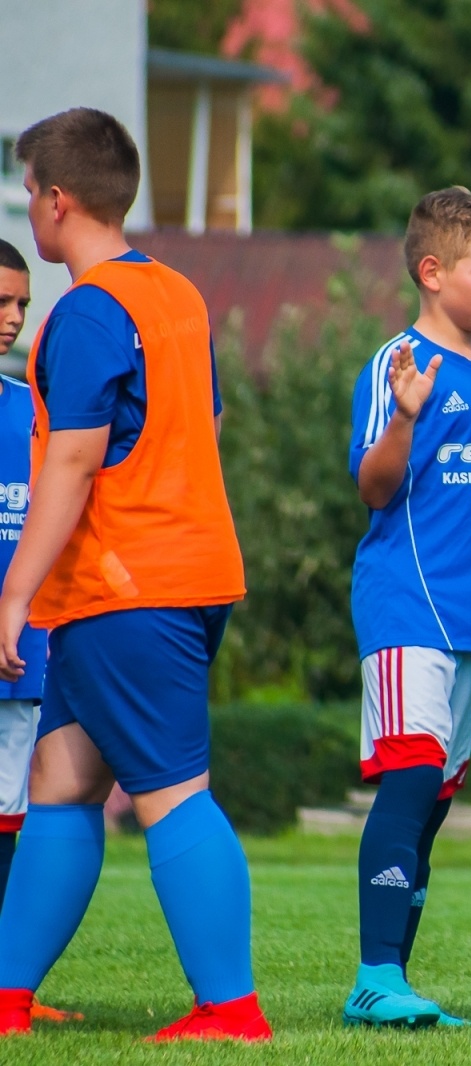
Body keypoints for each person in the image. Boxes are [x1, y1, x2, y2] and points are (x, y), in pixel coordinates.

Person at [0, 107, 269, 1042]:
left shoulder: (83, 312)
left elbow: (73, 461)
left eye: (26, 189)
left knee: (170, 792)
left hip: (129, 589)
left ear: (57, 201)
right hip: (184, 574)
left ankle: (232, 1011)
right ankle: (8, 998)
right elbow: (207, 426)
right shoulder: (176, 293)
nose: (27, 204)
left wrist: (13, 594)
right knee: (61, 779)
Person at [342, 187, 471, 1028]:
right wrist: (405, 419)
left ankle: (392, 981)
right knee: (413, 773)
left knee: (434, 799)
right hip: (406, 607)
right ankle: (375, 979)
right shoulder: (397, 364)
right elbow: (373, 486)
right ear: (432, 272)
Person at [0, 240, 78, 1030]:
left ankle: (6, 988)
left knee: (9, 814)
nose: (14, 318)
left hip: (25, 652)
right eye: (0, 302)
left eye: (21, 303)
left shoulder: (35, 409)